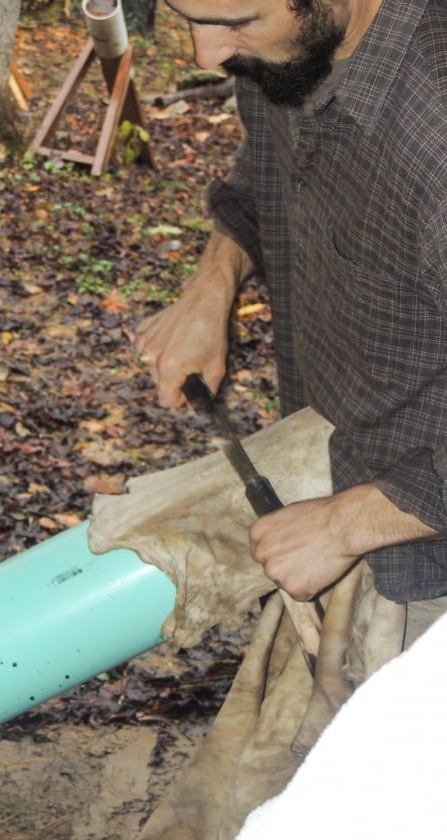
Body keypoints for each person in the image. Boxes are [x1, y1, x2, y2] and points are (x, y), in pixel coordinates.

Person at [135, 0, 446, 611]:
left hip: (418, 548)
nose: (206, 54)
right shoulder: (288, 52)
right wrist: (212, 286)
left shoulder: (434, 128)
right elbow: (274, 165)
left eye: (235, 22)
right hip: (332, 464)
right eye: (184, 16)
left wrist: (346, 525)